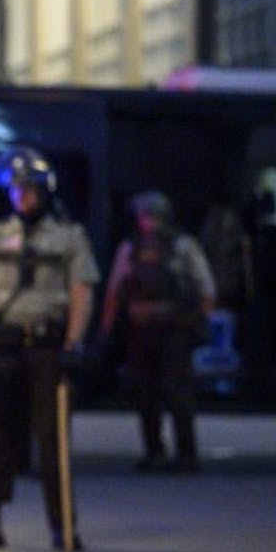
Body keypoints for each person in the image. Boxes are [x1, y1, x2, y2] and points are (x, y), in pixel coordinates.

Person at [0, 147, 98, 552]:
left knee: (52, 441)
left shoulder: (70, 237)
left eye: (29, 190)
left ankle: (64, 528)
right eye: (16, 190)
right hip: (3, 346)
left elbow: (81, 292)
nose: (22, 198)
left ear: (44, 191)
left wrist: (73, 342)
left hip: (47, 348)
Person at [100, 190, 216, 472]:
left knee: (167, 392)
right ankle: (170, 452)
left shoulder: (159, 246)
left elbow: (115, 291)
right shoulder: (173, 245)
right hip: (157, 328)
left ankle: (169, 452)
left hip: (164, 328)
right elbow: (206, 289)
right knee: (152, 392)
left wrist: (107, 327)